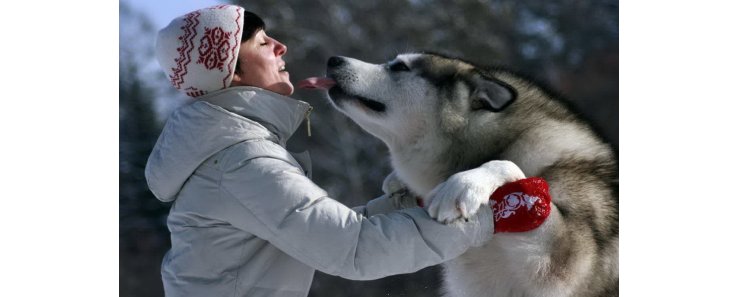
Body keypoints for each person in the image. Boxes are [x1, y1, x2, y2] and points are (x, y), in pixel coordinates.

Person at [146, 5, 525, 297]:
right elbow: (354, 250)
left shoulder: (230, 152)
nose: (281, 47)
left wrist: (410, 202)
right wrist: (486, 219)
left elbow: (328, 230)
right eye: (262, 43)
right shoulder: (239, 162)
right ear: (233, 74)